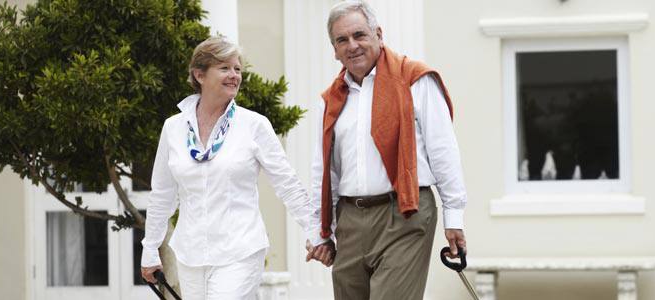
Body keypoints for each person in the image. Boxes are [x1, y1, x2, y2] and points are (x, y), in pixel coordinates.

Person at [305, 1, 469, 299]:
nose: (352, 45)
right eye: (342, 40)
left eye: (359, 35)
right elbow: (324, 170)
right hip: (350, 219)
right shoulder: (330, 100)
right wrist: (321, 230)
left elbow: (443, 150)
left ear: (378, 34)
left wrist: (453, 216)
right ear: (334, 49)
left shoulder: (416, 80)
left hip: (405, 213)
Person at [139, 36, 324, 299]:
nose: (234, 76)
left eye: (238, 69)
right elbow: (163, 194)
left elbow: (287, 184)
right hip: (190, 254)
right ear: (199, 75)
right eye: (224, 68)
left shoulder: (254, 125)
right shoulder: (173, 128)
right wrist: (150, 248)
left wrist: (315, 231)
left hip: (240, 250)